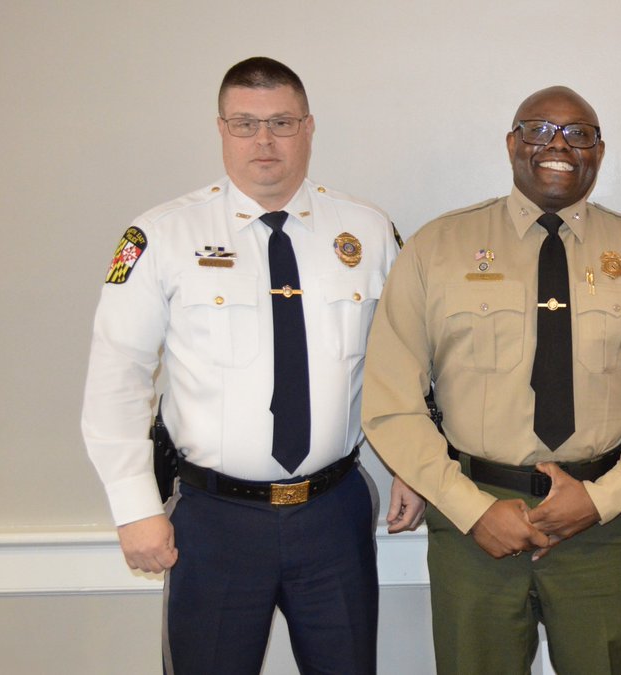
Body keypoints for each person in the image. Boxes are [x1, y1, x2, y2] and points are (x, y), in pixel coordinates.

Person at [81, 56, 424, 674]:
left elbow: (404, 362)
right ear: (221, 129)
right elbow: (117, 377)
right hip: (214, 523)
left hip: (334, 514)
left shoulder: (368, 233)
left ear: (309, 128)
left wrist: (411, 464)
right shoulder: (160, 235)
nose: (264, 141)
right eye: (245, 124)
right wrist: (134, 507)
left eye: (282, 123)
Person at [362, 85, 621, 674]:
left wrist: (599, 502)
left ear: (599, 152)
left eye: (578, 133)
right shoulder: (435, 249)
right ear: (511, 144)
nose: (557, 145)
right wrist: (471, 509)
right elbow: (391, 401)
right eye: (538, 129)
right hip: (473, 517)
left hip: (604, 524)